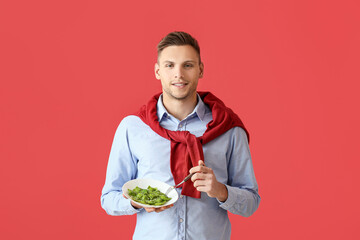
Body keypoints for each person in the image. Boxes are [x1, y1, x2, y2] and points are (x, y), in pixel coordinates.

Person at [100, 31, 260, 240]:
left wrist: (221, 191)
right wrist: (134, 202)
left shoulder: (228, 128)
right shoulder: (133, 127)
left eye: (188, 65)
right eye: (169, 65)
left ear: (200, 70)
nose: (179, 74)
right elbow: (108, 198)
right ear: (157, 71)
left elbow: (251, 202)